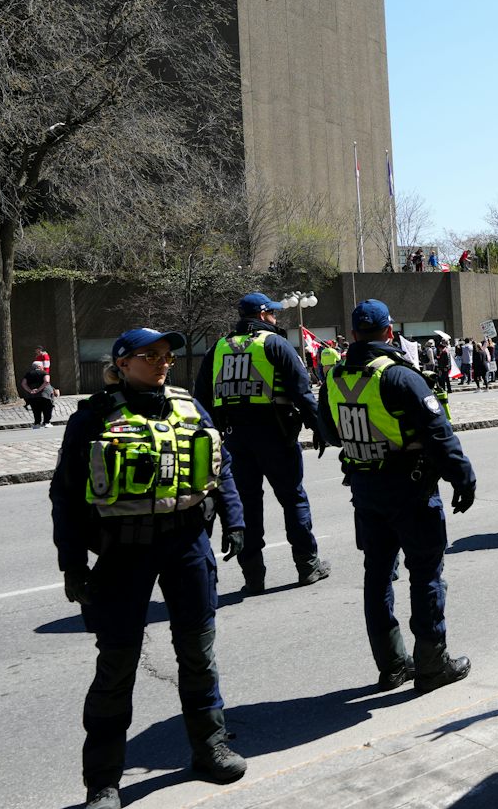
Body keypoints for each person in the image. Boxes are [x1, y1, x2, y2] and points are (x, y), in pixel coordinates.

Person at [49, 327, 247, 809]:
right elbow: (66, 495)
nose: (163, 363)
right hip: (122, 553)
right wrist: (71, 562)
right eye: (150, 356)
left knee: (198, 653)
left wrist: (235, 518)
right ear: (122, 362)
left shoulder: (189, 406)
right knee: (116, 665)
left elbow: (220, 468)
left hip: (186, 545)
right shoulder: (93, 417)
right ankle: (102, 782)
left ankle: (209, 747)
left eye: (166, 356)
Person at [321, 299, 478, 694]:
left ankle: (391, 666)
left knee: (377, 577)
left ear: (354, 334)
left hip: (364, 488)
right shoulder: (399, 376)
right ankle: (431, 664)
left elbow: (328, 433)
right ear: (389, 332)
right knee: (425, 575)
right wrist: (464, 478)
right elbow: (439, 434)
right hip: (410, 488)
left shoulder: (335, 377)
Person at [196, 292, 332, 596]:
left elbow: (201, 400)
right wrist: (319, 428)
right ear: (261, 315)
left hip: (233, 440)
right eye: (271, 312)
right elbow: (302, 392)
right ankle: (308, 566)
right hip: (276, 435)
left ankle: (253, 577)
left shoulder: (217, 349)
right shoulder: (275, 344)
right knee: (293, 499)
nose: (275, 317)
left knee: (247, 506)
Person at [21, 361, 60, 427]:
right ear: (39, 367)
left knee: (36, 409)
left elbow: (23, 383)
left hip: (33, 396)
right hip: (45, 394)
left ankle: (37, 423)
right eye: (42, 366)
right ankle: (46, 422)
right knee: (47, 408)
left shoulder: (28, 374)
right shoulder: (44, 373)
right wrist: (39, 389)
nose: (43, 367)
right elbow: (46, 381)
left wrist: (30, 391)